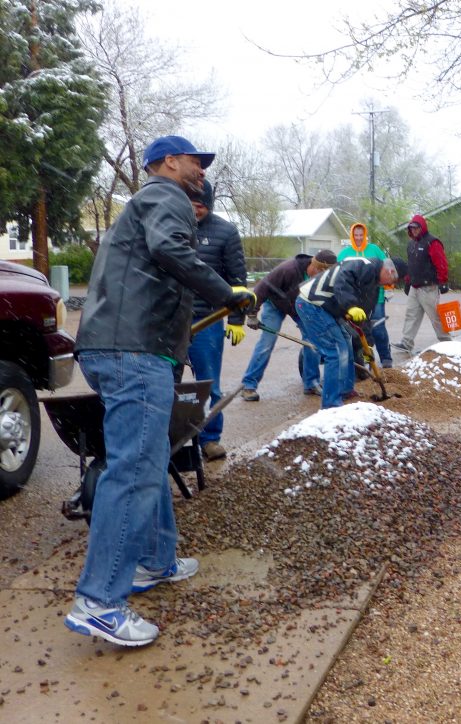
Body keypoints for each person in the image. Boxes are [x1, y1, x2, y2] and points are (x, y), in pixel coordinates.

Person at [68, 135, 255, 647]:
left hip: (128, 347)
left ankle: (155, 560)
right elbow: (170, 250)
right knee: (134, 472)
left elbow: (156, 269)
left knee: (149, 459)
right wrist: (227, 291)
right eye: (196, 160)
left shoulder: (149, 203)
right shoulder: (163, 194)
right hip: (134, 352)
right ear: (168, 162)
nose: (201, 170)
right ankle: (100, 602)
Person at [186, 180, 247, 461]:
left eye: (200, 206)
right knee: (164, 383)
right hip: (171, 320)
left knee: (209, 383)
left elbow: (237, 281)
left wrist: (236, 318)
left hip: (208, 318)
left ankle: (210, 439)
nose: (194, 211)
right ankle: (169, 437)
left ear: (208, 205)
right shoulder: (172, 226)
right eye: (191, 204)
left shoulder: (225, 232)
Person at [295, 256, 399, 408]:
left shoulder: (374, 287)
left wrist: (367, 348)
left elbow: (364, 320)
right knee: (335, 351)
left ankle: (345, 390)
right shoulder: (364, 265)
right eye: (392, 280)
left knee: (346, 344)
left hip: (327, 308)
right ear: (389, 271)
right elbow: (343, 279)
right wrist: (351, 306)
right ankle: (331, 404)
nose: (390, 285)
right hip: (312, 303)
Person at [239, 249, 338, 401]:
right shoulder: (289, 269)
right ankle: (249, 385)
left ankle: (311, 383)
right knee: (267, 343)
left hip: (299, 307)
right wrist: (252, 314)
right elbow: (261, 288)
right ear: (316, 267)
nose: (321, 278)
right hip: (275, 305)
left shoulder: (321, 277)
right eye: (320, 274)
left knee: (313, 341)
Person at [392, 214, 451, 354]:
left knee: (436, 317)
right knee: (411, 315)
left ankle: (446, 342)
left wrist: (443, 281)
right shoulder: (411, 244)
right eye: (411, 228)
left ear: (422, 227)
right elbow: (411, 266)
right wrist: (407, 281)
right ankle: (406, 343)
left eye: (416, 227)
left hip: (429, 287)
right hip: (414, 286)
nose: (414, 230)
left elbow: (441, 263)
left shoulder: (433, 243)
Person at [338, 222, 393, 368]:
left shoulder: (374, 250)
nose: (358, 238)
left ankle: (386, 358)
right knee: (359, 331)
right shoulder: (345, 253)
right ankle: (365, 364)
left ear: (365, 235)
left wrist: (389, 287)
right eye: (355, 235)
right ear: (351, 236)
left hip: (377, 296)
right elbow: (338, 275)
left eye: (361, 235)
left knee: (378, 329)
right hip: (356, 299)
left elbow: (387, 268)